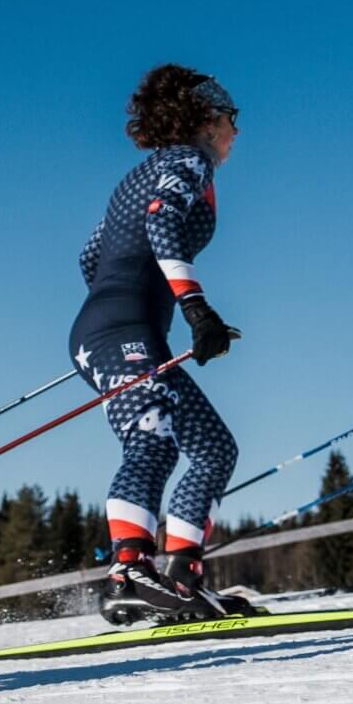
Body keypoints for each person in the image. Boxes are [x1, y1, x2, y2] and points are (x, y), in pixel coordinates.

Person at [70, 64, 243, 621]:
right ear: (207, 119)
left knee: (214, 449)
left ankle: (181, 578)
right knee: (153, 439)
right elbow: (162, 221)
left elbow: (91, 256)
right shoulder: (188, 160)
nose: (237, 129)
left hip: (120, 329)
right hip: (122, 330)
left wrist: (126, 313)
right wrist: (194, 308)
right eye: (232, 116)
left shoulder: (145, 172)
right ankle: (127, 572)